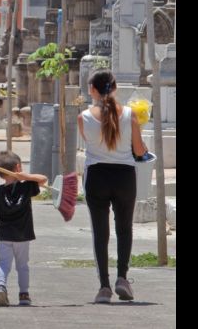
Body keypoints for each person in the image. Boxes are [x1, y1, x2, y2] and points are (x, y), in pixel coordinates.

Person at [78, 69, 147, 303]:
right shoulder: (130, 115)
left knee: (100, 231)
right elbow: (139, 150)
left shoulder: (84, 117)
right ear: (115, 88)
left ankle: (104, 286)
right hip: (125, 176)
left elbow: (90, 144)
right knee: (124, 228)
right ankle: (122, 278)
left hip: (97, 174)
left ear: (92, 90)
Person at [0, 151, 47, 307]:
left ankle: (1, 286)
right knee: (22, 266)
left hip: (5, 235)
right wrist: (25, 176)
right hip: (23, 235)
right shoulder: (26, 187)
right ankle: (24, 294)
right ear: (18, 167)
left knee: (3, 264)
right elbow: (43, 179)